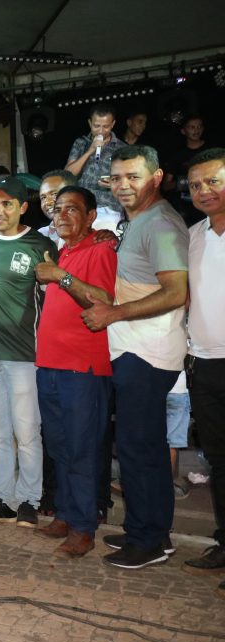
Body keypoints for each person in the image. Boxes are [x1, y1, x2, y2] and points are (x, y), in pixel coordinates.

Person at [80, 146, 189, 570]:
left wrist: (114, 313)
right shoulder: (140, 221)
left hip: (147, 352)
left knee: (140, 449)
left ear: (156, 177)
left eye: (134, 176)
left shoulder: (160, 223)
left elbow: (176, 292)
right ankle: (146, 528)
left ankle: (150, 541)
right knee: (139, 447)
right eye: (117, 177)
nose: (123, 185)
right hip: (134, 349)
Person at [33, 186, 118, 557]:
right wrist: (58, 269)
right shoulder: (62, 250)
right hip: (49, 365)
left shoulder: (101, 249)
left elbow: (103, 300)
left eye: (72, 209)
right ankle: (66, 514)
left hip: (83, 368)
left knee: (82, 449)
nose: (62, 215)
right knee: (59, 446)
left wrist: (59, 276)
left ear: (91, 216)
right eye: (57, 209)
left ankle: (84, 527)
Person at [0, 176, 56, 529]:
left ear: (22, 207)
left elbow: (53, 303)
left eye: (7, 204)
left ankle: (30, 500)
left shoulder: (40, 245)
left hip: (23, 356)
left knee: (28, 433)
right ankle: (3, 498)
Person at [180, 148, 225, 594]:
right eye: (195, 185)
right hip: (204, 366)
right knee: (220, 462)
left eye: (214, 181)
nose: (204, 191)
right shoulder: (193, 235)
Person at [65, 104, 126, 232]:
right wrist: (90, 150)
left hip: (109, 208)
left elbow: (129, 181)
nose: (101, 131)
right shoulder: (80, 143)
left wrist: (114, 183)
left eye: (106, 126)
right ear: (89, 123)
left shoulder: (122, 148)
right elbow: (68, 174)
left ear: (113, 124)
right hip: (82, 206)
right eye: (96, 126)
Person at [165, 116, 209, 225]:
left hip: (209, 206)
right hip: (184, 211)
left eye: (199, 126)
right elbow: (165, 186)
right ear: (183, 131)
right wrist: (184, 182)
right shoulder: (177, 155)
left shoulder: (211, 151)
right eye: (192, 127)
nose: (196, 130)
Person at [37, 170, 78, 248]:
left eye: (54, 194)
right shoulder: (41, 236)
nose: (47, 202)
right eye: (43, 197)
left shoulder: (97, 226)